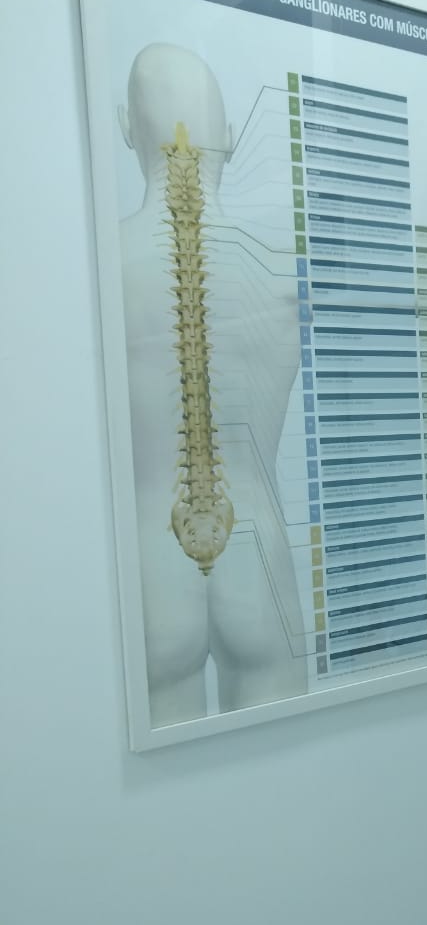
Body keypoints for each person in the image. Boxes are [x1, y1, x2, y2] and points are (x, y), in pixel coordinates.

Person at [119, 43, 307, 724]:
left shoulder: (103, 265)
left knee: (156, 788)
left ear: (126, 128)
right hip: (260, 559)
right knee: (285, 769)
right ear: (228, 137)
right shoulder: (284, 273)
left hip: (148, 567)